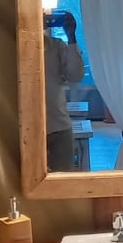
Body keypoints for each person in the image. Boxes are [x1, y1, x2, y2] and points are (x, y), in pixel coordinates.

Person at [44, 11, 85, 171]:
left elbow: (75, 75)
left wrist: (71, 37)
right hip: (24, 128)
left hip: (58, 126)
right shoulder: (13, 48)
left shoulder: (56, 46)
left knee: (64, 178)